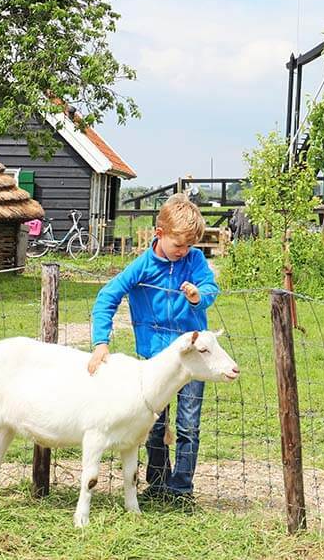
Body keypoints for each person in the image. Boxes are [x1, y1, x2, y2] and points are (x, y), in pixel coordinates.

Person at [88, 193, 218, 508]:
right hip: (156, 359)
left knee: (189, 423)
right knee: (155, 424)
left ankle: (181, 490)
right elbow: (107, 296)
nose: (183, 251)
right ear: (159, 233)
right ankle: (157, 483)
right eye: (178, 245)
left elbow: (211, 288)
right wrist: (100, 342)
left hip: (191, 358)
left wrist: (199, 296)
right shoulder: (141, 268)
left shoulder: (195, 261)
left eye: (189, 246)